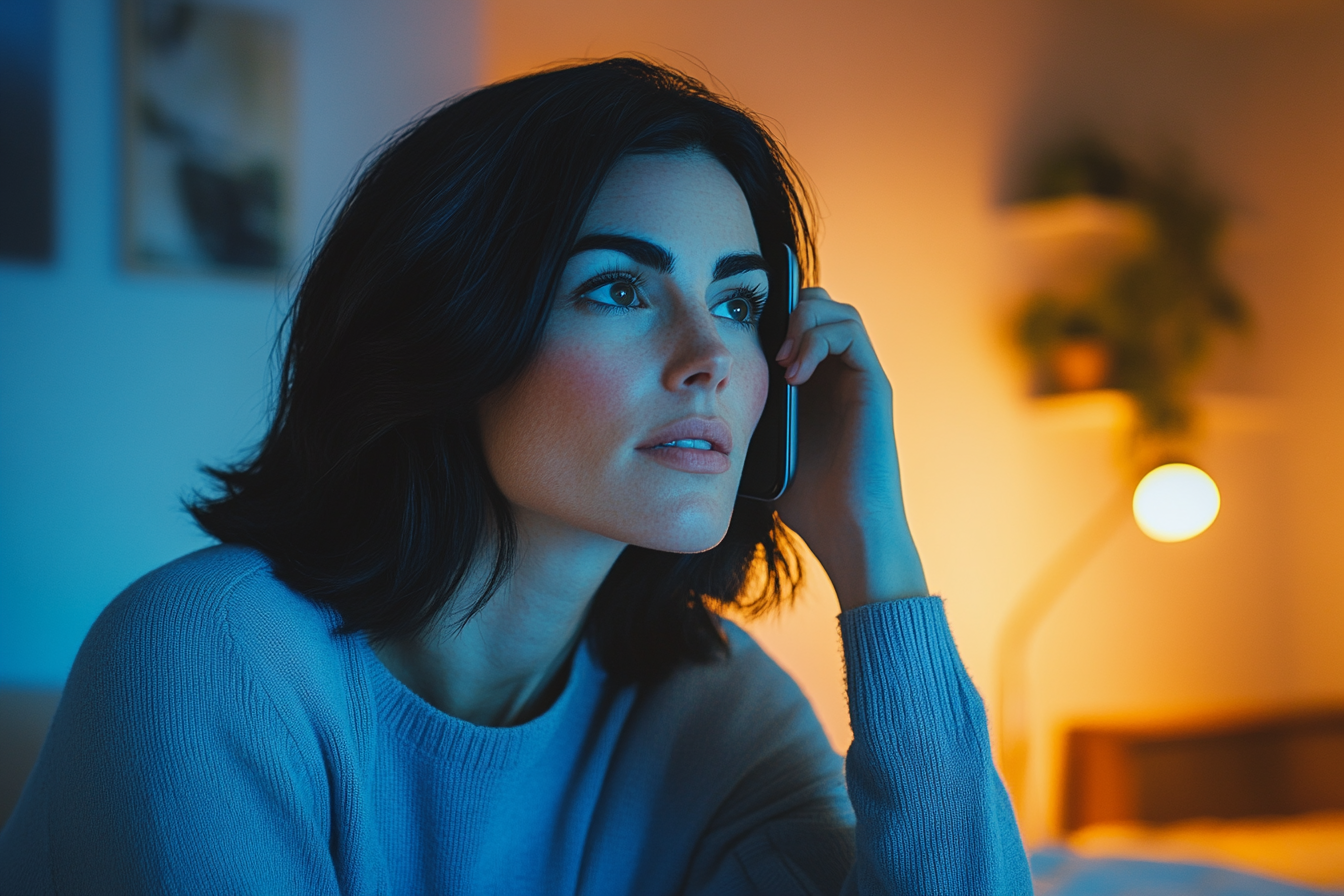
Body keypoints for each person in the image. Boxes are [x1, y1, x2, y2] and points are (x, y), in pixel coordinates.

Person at [0, 58, 1031, 894]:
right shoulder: (207, 653)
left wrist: (877, 550)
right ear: (455, 324)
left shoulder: (714, 712)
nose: (710, 357)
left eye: (738, 302)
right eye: (619, 287)